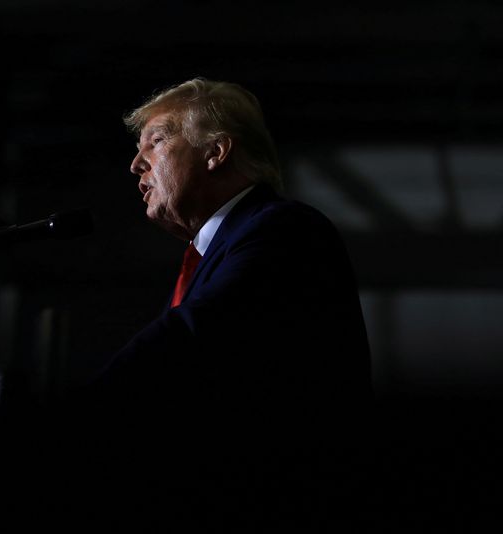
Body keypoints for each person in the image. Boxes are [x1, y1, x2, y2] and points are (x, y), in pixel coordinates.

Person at [45, 78, 374, 531]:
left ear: (216, 152)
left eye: (156, 142)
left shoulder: (282, 229)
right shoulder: (213, 255)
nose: (135, 164)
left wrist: (68, 419)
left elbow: (190, 340)